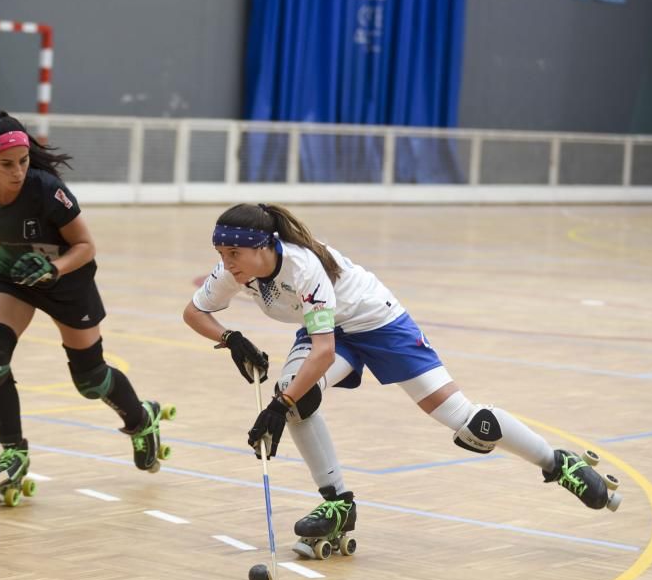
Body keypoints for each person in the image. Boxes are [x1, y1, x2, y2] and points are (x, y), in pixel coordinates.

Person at [183, 203, 620, 556]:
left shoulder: (303, 267)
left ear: (264, 246)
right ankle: (337, 503)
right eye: (221, 256)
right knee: (299, 397)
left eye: (233, 255)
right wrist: (231, 338)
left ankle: (559, 464)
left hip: (378, 322)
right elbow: (193, 312)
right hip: (329, 330)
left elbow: (323, 354)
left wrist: (278, 407)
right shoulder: (235, 270)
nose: (226, 265)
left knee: (468, 422)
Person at [0, 110, 171, 501]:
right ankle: (13, 452)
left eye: (23, 161)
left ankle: (141, 420)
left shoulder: (48, 190)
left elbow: (86, 247)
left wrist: (54, 270)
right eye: (7, 164)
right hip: (13, 273)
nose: (18, 171)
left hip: (67, 278)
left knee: (90, 381)